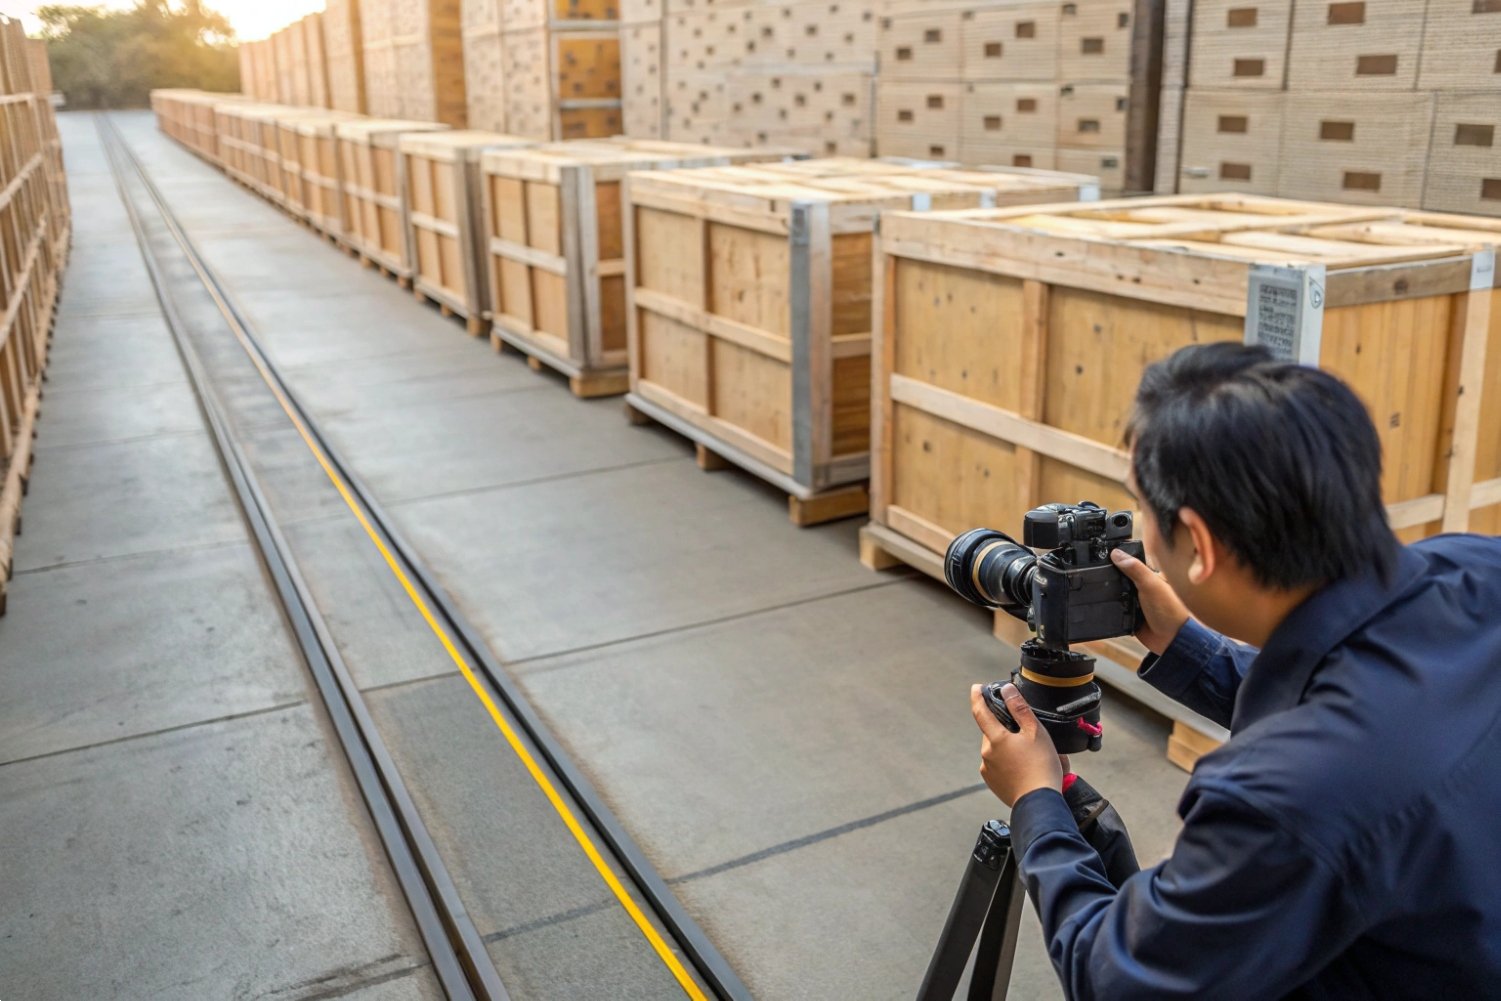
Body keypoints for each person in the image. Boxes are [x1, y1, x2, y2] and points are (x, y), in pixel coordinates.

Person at [970, 342, 1501, 999]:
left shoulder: (1278, 795)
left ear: (1200, 542)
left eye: (1141, 510)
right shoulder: (1476, 566)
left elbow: (1118, 980)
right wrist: (1189, 647)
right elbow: (1374, 707)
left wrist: (1036, 804)